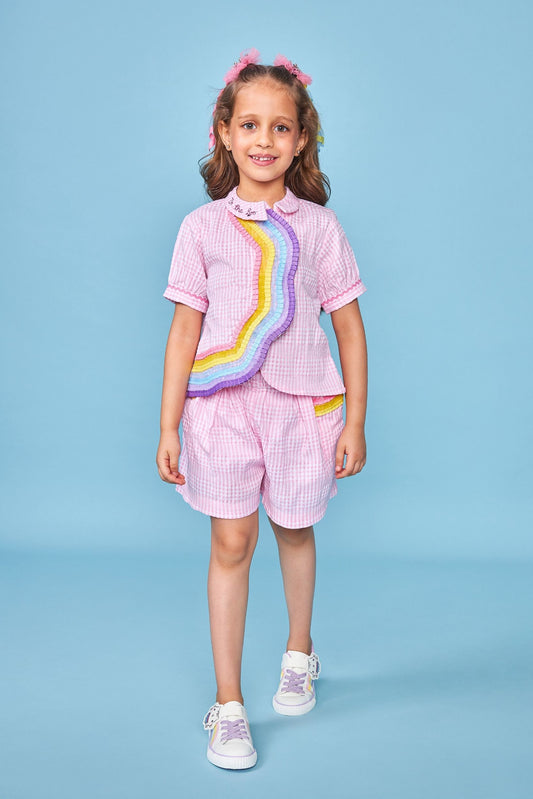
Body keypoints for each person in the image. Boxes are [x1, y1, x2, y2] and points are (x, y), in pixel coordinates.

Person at [156, 49, 368, 770]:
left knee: (295, 530)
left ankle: (298, 652)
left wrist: (355, 419)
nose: (264, 140)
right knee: (231, 543)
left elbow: (348, 328)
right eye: (248, 124)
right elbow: (183, 330)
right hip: (220, 408)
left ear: (302, 139)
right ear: (223, 131)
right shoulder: (200, 228)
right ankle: (229, 704)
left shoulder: (321, 229)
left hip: (302, 409)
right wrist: (167, 424)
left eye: (281, 127)